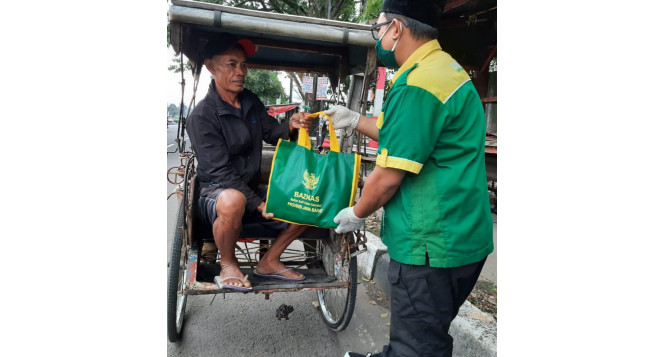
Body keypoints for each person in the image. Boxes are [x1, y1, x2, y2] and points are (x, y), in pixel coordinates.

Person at [327, 1, 494, 356]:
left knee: (418, 348)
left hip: (430, 246)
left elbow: (387, 177)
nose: (378, 36)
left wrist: (356, 213)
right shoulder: (444, 70)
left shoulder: (418, 82)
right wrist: (356, 119)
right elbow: (403, 136)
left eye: (379, 28)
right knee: (423, 332)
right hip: (462, 237)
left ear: (397, 28)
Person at [186, 33, 312, 291]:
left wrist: (291, 124)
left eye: (243, 65)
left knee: (309, 200)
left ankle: (270, 260)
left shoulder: (250, 101)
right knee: (234, 199)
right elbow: (220, 171)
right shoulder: (202, 116)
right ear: (211, 66)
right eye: (232, 64)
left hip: (251, 189)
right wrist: (259, 203)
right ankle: (229, 264)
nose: (240, 71)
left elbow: (272, 133)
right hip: (215, 192)